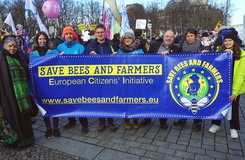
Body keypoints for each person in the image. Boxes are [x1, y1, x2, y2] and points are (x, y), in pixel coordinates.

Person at [208, 32, 245, 138]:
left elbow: (241, 75)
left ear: (234, 41)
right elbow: (212, 62)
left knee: (234, 107)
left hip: (235, 85)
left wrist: (235, 92)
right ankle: (216, 124)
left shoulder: (241, 55)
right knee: (218, 104)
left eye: (230, 40)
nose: (228, 42)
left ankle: (233, 128)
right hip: (221, 85)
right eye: (226, 40)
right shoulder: (219, 51)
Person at [0, 37, 34, 147]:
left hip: (22, 95)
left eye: (15, 46)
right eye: (10, 46)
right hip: (9, 95)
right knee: (14, 118)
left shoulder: (19, 56)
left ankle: (28, 139)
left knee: (24, 117)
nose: (12, 48)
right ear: (5, 46)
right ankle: (18, 142)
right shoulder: (2, 58)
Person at [142, 30, 180, 129]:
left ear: (173, 38)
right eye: (167, 36)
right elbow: (148, 58)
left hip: (166, 79)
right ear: (163, 37)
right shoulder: (154, 45)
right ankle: (147, 118)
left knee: (164, 100)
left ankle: (163, 121)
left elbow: (180, 61)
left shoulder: (177, 48)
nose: (168, 38)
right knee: (150, 99)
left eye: (171, 37)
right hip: (153, 77)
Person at [174, 28, 208, 131]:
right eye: (187, 36)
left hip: (197, 75)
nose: (189, 38)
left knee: (197, 97)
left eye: (191, 36)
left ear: (196, 36)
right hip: (184, 75)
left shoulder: (202, 45)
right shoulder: (181, 46)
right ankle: (183, 119)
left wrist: (207, 53)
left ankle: (197, 122)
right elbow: (174, 56)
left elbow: (211, 57)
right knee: (184, 95)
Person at [85, 24, 117, 132]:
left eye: (102, 32)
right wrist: (90, 54)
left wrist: (116, 56)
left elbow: (119, 57)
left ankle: (111, 121)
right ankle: (101, 121)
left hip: (110, 76)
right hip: (97, 77)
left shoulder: (112, 44)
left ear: (105, 32)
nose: (100, 34)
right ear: (95, 33)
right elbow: (84, 59)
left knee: (110, 99)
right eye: (98, 32)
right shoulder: (90, 45)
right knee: (99, 99)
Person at [57, 26, 89, 134]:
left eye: (70, 34)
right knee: (67, 101)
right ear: (63, 36)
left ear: (73, 35)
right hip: (65, 80)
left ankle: (84, 124)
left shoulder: (80, 47)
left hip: (78, 80)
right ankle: (71, 121)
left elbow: (85, 62)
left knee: (80, 102)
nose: (69, 36)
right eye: (66, 34)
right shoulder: (59, 47)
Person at [29, 31, 60, 137]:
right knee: (44, 106)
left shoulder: (54, 51)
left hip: (53, 83)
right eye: (40, 39)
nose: (42, 41)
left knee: (55, 105)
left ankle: (55, 127)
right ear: (37, 40)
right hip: (40, 84)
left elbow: (59, 66)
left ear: (47, 40)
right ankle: (48, 128)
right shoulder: (33, 53)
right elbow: (31, 69)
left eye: (44, 39)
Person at [116, 29, 144, 129]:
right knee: (124, 100)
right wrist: (113, 57)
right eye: (125, 38)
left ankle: (135, 119)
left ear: (133, 39)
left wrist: (139, 57)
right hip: (123, 80)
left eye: (129, 38)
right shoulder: (119, 51)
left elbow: (146, 64)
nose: (127, 40)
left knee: (134, 100)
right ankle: (126, 120)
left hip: (135, 81)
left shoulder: (139, 51)